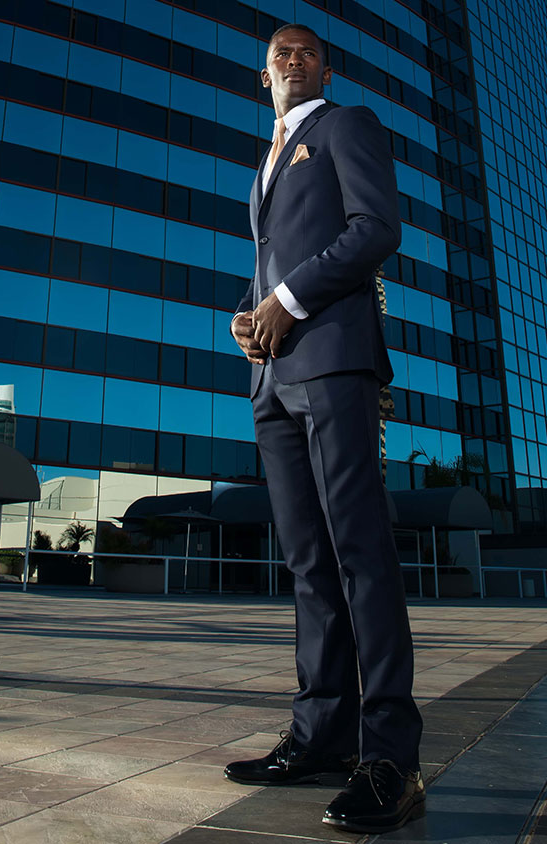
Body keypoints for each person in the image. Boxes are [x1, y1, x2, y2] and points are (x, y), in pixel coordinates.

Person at [224, 24, 424, 834]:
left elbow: (375, 229)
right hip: (273, 377)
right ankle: (321, 735)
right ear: (261, 74)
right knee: (308, 564)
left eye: (306, 51)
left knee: (358, 556)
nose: (293, 60)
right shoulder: (267, 162)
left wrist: (289, 301)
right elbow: (274, 259)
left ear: (325, 68)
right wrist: (250, 311)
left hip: (335, 363)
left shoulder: (348, 126)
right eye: (280, 53)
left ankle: (391, 759)